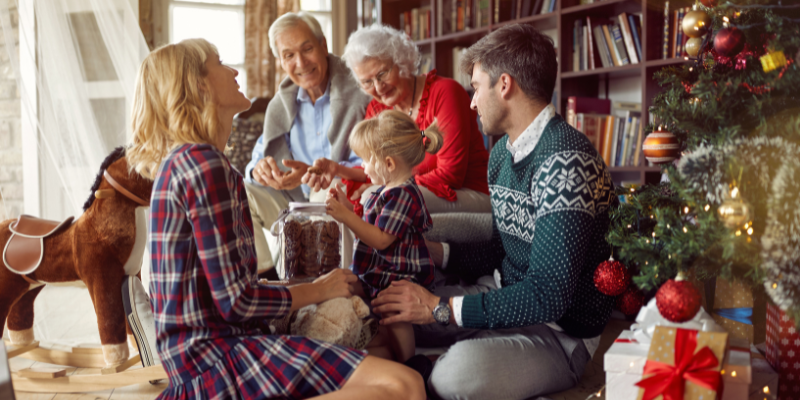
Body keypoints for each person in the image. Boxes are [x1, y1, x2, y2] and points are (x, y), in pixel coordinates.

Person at [126, 38, 424, 400]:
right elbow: (236, 302)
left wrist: (309, 289)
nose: (234, 71)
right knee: (406, 385)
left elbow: (232, 293)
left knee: (382, 353)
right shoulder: (203, 165)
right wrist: (318, 290)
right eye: (220, 63)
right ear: (198, 85)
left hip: (204, 354)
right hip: (217, 361)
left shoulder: (187, 161)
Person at [370, 24, 617, 400]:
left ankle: (453, 357)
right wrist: (438, 253)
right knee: (391, 319)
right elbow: (502, 248)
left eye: (475, 87)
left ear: (504, 85)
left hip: (559, 332)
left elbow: (549, 295)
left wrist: (440, 309)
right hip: (502, 291)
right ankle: (465, 345)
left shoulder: (564, 160)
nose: (471, 102)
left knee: (454, 375)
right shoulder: (502, 154)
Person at [304, 24, 491, 215]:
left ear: (401, 61)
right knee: (329, 194)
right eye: (367, 82)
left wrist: (383, 189)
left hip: (465, 193)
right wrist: (337, 169)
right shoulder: (377, 109)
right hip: (413, 189)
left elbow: (450, 176)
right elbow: (376, 169)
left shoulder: (445, 93)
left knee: (378, 198)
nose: (377, 87)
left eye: (382, 74)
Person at [243, 12, 371, 273]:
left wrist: (314, 174)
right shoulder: (282, 103)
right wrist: (259, 170)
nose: (300, 62)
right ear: (280, 61)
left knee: (327, 190)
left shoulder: (359, 91)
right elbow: (258, 157)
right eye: (289, 55)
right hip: (292, 203)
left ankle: (328, 286)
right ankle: (268, 281)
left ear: (323, 45)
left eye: (307, 49)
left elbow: (373, 161)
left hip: (340, 194)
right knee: (241, 192)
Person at [324, 110, 442, 363]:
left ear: (388, 164)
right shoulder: (384, 191)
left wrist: (347, 218)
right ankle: (370, 341)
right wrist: (346, 208)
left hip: (398, 274)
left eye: (365, 160)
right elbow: (369, 225)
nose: (363, 167)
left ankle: (410, 362)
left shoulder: (403, 194)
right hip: (378, 270)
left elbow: (380, 239)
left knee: (394, 313)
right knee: (343, 285)